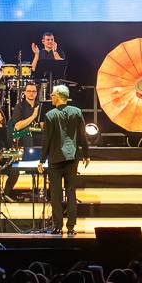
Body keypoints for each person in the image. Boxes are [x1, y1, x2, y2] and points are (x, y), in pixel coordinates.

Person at [39, 85, 91, 235]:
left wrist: (42, 160)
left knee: (55, 194)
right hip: (72, 158)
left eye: (52, 95)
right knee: (71, 192)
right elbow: (83, 136)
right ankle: (71, 227)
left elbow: (46, 140)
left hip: (55, 159)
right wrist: (86, 154)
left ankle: (57, 226)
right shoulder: (77, 112)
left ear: (58, 96)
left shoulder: (50, 115)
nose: (51, 97)